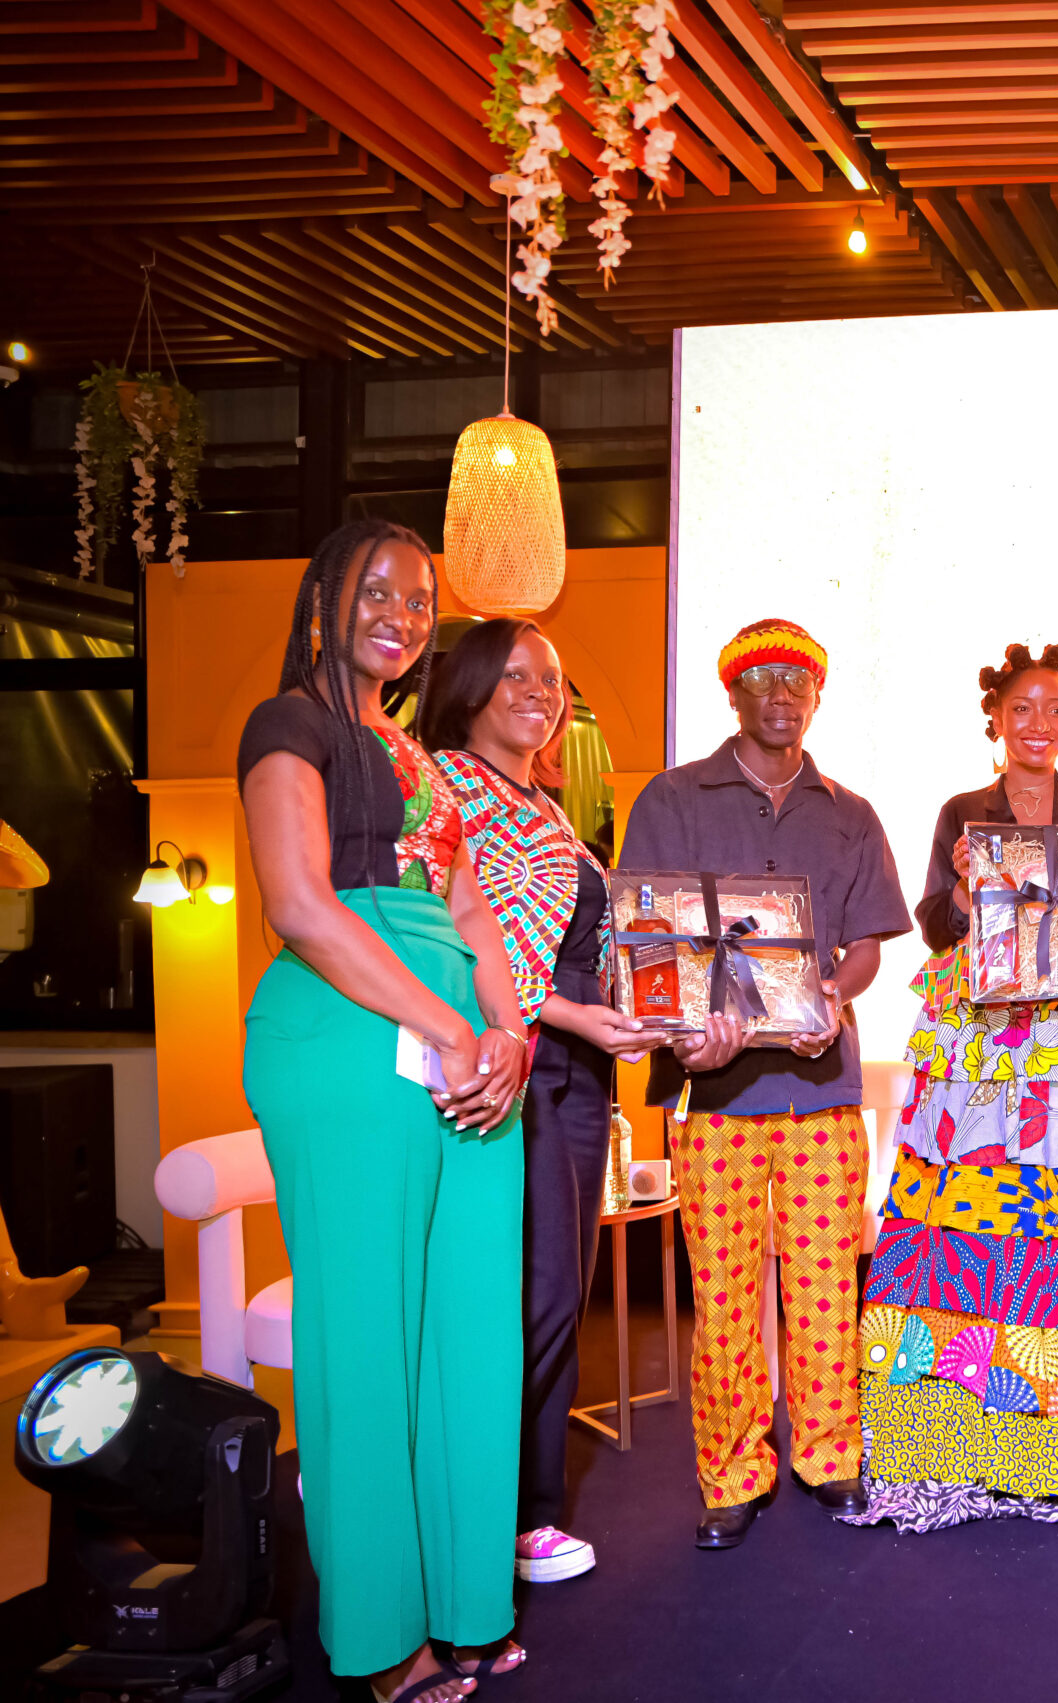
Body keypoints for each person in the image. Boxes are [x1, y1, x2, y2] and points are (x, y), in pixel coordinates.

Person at [237, 520, 532, 1703]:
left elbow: (471, 914)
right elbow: (302, 905)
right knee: (365, 1336)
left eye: (419, 598)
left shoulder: (420, 757)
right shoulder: (289, 723)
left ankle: (465, 1602)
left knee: (470, 1331)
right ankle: (379, 1634)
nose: (401, 614)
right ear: (325, 598)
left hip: (462, 1040)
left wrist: (505, 1032)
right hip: (352, 1033)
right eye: (377, 590)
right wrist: (450, 1028)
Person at [854, 641, 1058, 1531]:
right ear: (995, 718)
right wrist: (965, 890)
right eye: (1022, 708)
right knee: (964, 1231)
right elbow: (935, 927)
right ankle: (952, 1446)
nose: (1038, 723)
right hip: (984, 1051)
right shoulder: (962, 811)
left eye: (1055, 709)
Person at [618, 617, 911, 1549]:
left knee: (827, 1287)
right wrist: (682, 1030)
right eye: (761, 679)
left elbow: (865, 948)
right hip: (713, 1094)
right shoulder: (672, 799)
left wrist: (834, 991)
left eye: (798, 680)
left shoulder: (850, 813)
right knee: (725, 1296)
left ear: (818, 696)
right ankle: (733, 1471)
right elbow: (646, 938)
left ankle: (827, 1455)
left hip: (822, 1088)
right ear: (732, 693)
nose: (781, 695)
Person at [421, 618, 652, 1587]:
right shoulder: (445, 784)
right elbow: (465, 939)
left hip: (578, 1067)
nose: (538, 692)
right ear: (470, 685)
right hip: (516, 1057)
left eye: (551, 679)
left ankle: (527, 1510)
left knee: (559, 1291)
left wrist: (643, 1012)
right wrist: (568, 1017)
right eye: (516, 674)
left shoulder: (546, 805)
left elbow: (582, 937)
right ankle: (491, 1510)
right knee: (529, 1291)